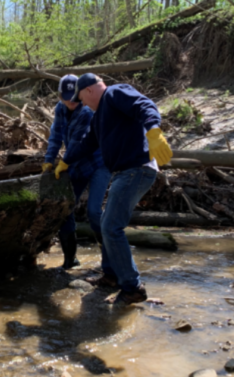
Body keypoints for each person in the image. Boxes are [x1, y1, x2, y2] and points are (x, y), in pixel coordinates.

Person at [58, 73, 173, 305]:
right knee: (109, 225)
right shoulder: (99, 116)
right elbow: (88, 143)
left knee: (111, 227)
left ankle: (132, 288)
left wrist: (153, 131)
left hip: (137, 168)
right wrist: (65, 161)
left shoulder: (114, 93)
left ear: (89, 90)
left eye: (81, 97)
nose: (81, 103)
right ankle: (111, 275)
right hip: (124, 172)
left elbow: (144, 105)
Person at [42, 74, 113, 276]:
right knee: (65, 209)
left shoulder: (87, 111)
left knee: (93, 211)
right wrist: (49, 159)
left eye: (74, 97)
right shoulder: (60, 109)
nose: (70, 101)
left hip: (98, 163)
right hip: (76, 164)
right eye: (66, 97)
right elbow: (55, 135)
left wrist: (64, 162)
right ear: (59, 96)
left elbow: (78, 143)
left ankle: (108, 260)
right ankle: (70, 260)